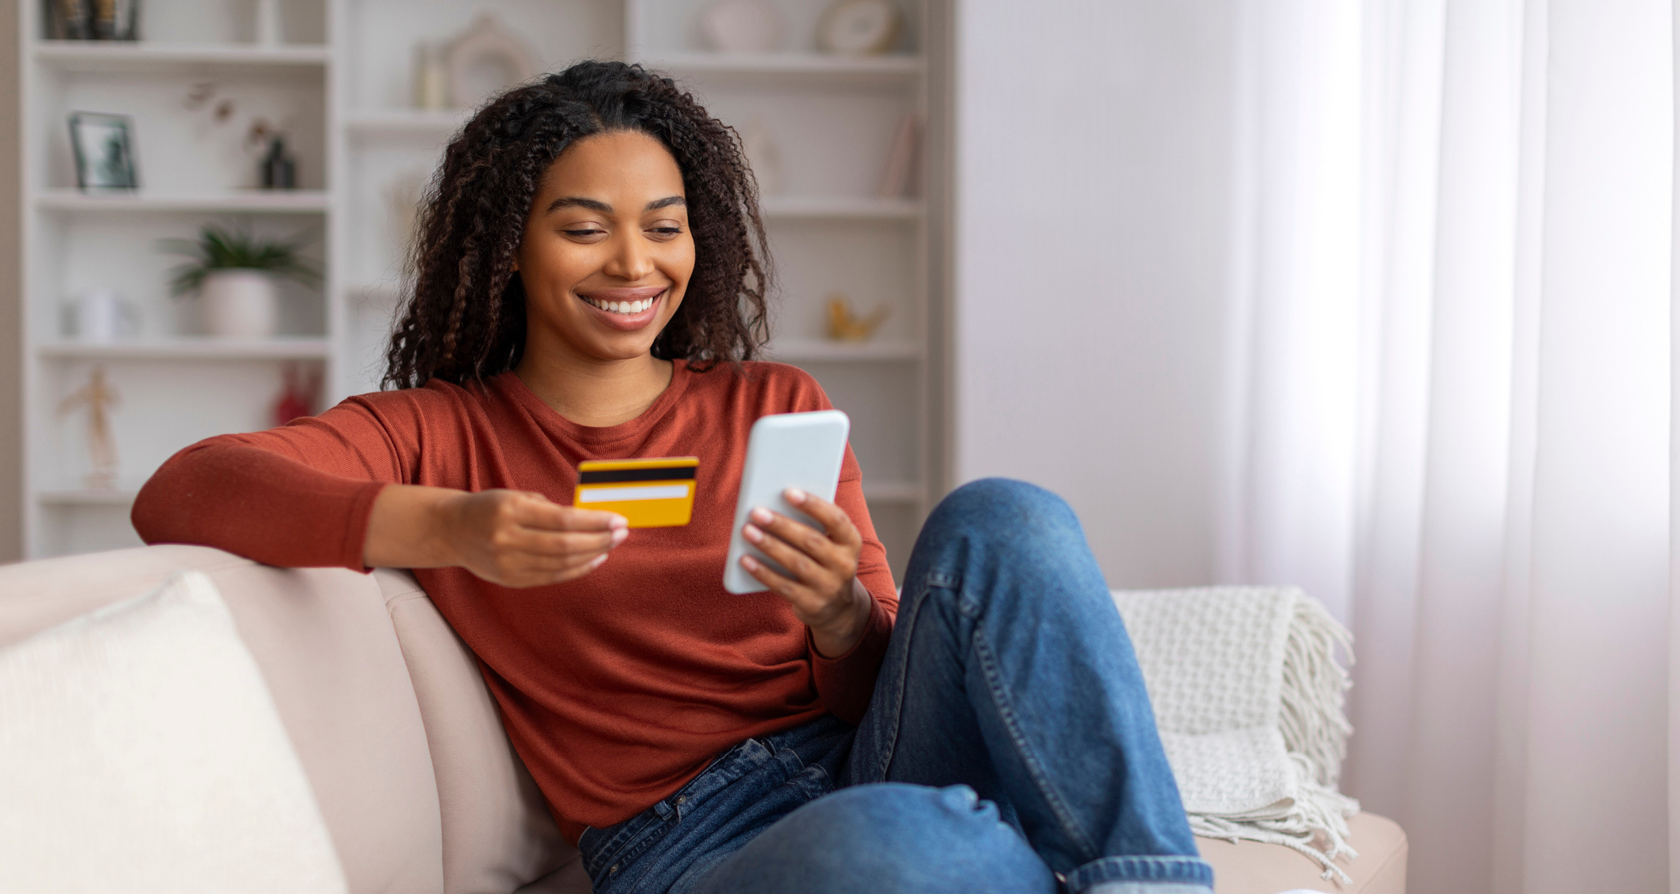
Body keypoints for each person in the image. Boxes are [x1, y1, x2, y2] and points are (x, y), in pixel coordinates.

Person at [133, 61, 1214, 894]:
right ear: (510, 246)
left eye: (664, 227)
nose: (633, 264)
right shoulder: (439, 434)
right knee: (915, 839)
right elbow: (185, 489)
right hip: (687, 841)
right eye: (583, 228)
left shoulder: (774, 403)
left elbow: (873, 677)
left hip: (865, 753)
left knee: (1005, 515)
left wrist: (840, 617)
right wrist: (447, 527)